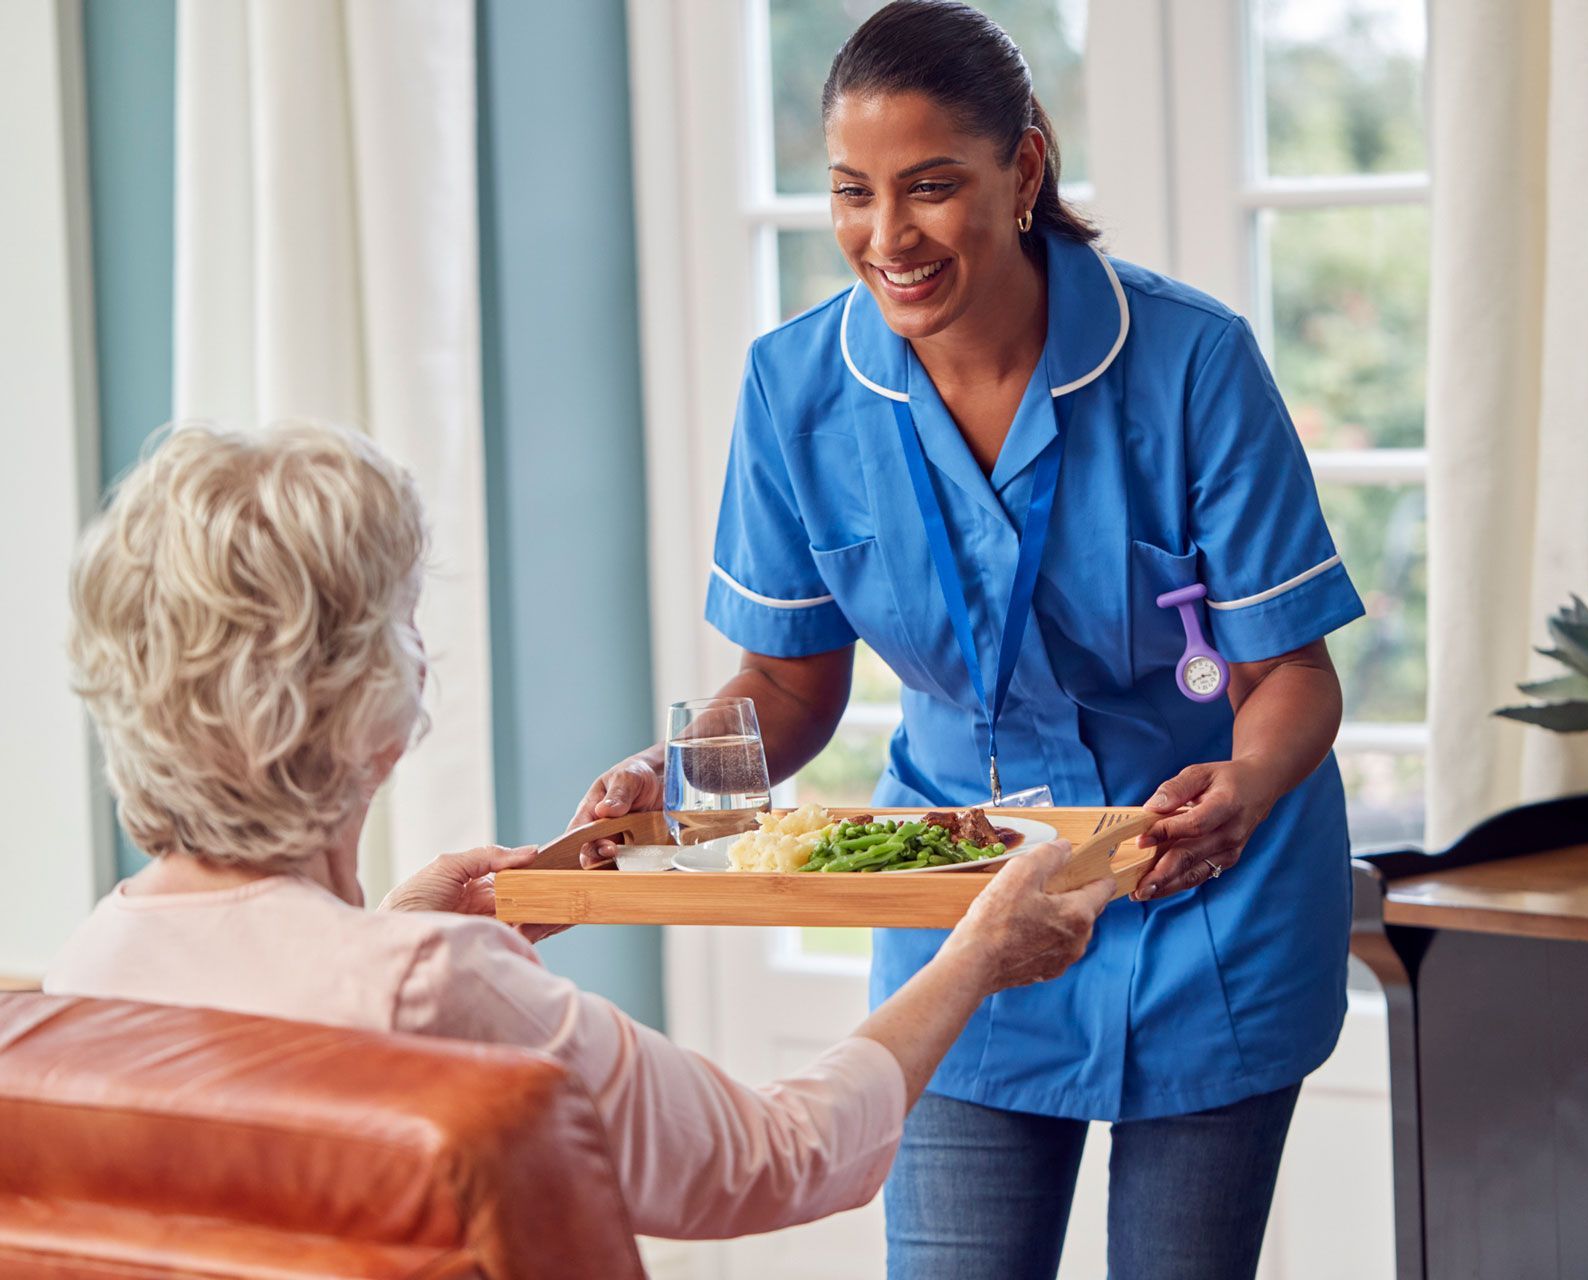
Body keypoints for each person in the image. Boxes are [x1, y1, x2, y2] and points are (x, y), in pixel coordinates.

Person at [569, 3, 1367, 1275]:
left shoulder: (1193, 363)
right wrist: (671, 780)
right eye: (852, 193)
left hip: (1204, 897)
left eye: (932, 188)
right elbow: (786, 680)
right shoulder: (797, 390)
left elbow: (1292, 677)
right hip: (965, 903)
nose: (888, 238)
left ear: (1025, 171)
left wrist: (1248, 783)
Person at [43, 420, 1111, 1246]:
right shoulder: (436, 985)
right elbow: (777, 1155)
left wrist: (381, 926)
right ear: (360, 698)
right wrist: (974, 956)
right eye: (402, 620)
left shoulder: (94, 968)